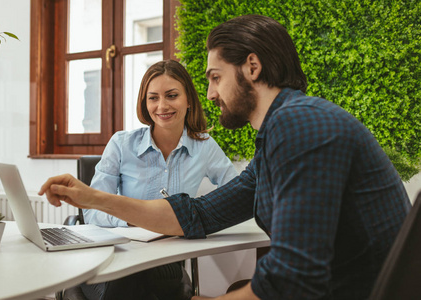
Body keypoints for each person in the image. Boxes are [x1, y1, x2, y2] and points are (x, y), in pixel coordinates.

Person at [40, 15, 412, 300]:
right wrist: (90, 197)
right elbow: (196, 214)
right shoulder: (278, 136)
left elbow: (292, 277)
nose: (211, 93)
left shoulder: (299, 125)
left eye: (215, 77)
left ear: (252, 67)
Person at [74, 60, 238, 300]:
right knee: (129, 275)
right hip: (116, 255)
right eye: (153, 98)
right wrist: (132, 219)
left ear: (189, 100)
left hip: (165, 261)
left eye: (172, 95)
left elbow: (235, 193)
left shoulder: (204, 147)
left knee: (144, 276)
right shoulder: (121, 144)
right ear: (145, 102)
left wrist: (198, 215)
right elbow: (91, 212)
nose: (162, 106)